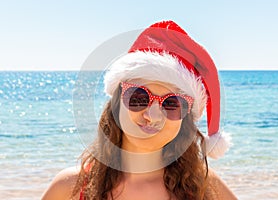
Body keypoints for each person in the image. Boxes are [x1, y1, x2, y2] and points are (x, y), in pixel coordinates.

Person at [42, 20, 237, 200]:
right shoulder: (69, 188)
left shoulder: (204, 186)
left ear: (184, 119)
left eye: (171, 104)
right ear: (117, 103)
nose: (151, 115)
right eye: (139, 98)